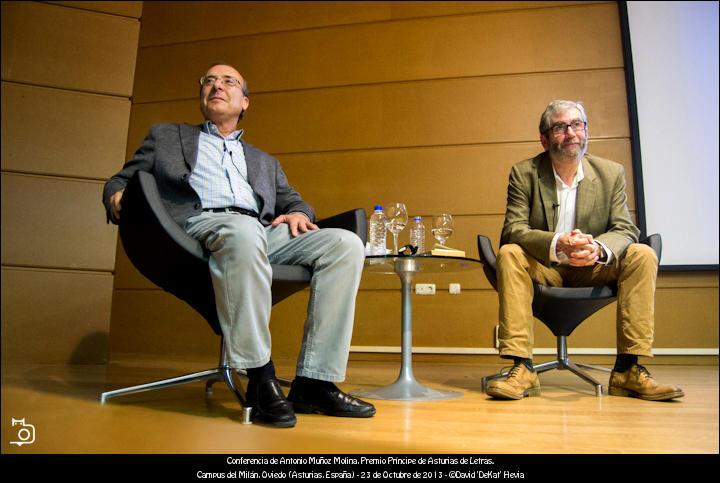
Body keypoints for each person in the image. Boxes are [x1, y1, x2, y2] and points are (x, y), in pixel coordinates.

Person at [103, 63, 375, 427]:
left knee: (345, 244)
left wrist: (297, 213)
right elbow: (121, 180)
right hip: (196, 226)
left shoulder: (264, 161)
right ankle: (260, 377)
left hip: (260, 231)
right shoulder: (167, 137)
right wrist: (117, 197)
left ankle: (315, 382)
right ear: (202, 94)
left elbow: (294, 201)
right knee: (243, 230)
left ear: (244, 101)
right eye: (209, 81)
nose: (217, 85)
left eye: (228, 81)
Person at [486, 99, 683, 402]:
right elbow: (514, 229)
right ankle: (522, 368)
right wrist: (556, 244)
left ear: (586, 130)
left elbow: (625, 228)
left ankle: (628, 370)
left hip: (592, 269)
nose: (571, 133)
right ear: (545, 138)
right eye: (561, 127)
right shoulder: (524, 173)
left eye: (577, 124)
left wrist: (598, 249)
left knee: (642, 253)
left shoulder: (610, 173)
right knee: (510, 251)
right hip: (545, 268)